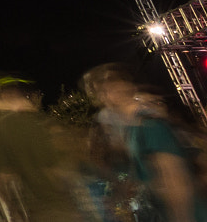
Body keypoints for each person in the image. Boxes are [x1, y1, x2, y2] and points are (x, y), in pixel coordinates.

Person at [84, 65, 207, 222]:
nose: (101, 99)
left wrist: (182, 217)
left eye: (103, 91)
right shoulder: (132, 128)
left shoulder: (150, 125)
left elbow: (175, 180)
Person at [0, 79, 75, 222]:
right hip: (62, 202)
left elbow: (2, 176)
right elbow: (65, 164)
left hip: (35, 206)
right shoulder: (45, 121)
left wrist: (12, 211)